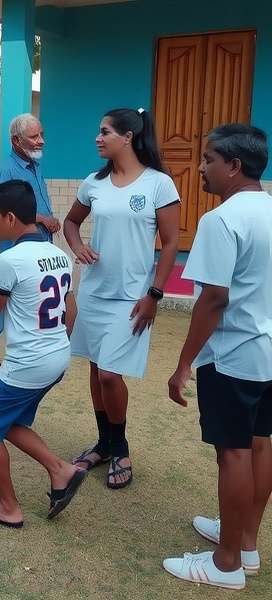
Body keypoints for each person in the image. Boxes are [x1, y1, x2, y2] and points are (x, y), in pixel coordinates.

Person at [164, 124, 271, 590]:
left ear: (234, 166)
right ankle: (245, 543)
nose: (201, 167)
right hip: (268, 352)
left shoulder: (221, 219)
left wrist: (184, 363)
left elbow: (212, 299)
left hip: (235, 355)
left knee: (234, 452)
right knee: (262, 442)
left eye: (208, 160)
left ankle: (225, 564)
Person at [0, 180, 85, 527]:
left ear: (11, 218)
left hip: (27, 365)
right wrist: (55, 343)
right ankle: (61, 471)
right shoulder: (58, 255)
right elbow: (72, 311)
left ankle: (7, 508)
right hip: (57, 356)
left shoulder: (10, 260)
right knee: (9, 422)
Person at [64, 108, 179, 489]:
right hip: (95, 292)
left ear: (128, 136)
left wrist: (155, 294)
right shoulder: (93, 183)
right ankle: (103, 444)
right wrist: (78, 247)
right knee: (97, 370)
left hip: (132, 298)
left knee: (112, 374)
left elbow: (171, 243)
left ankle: (121, 446)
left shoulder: (158, 184)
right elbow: (70, 222)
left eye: (105, 132)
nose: (98, 138)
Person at [0, 114, 59, 367]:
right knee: (5, 293)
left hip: (40, 242)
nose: (40, 141)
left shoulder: (35, 165)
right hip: (17, 246)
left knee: (33, 294)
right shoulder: (6, 171)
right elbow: (1, 209)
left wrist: (48, 220)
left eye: (41, 135)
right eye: (34, 137)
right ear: (15, 141)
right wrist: (42, 218)